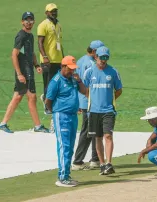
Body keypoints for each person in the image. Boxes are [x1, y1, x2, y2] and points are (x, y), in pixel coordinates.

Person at [0, 11, 49, 134]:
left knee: (21, 96)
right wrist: (19, 74)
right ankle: (37, 126)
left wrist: (36, 65)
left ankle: (3, 124)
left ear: (33, 22)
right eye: (26, 20)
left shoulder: (30, 36)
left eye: (30, 20)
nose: (28, 22)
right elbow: (14, 55)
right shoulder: (21, 36)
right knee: (29, 96)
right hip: (24, 72)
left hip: (29, 70)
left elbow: (31, 53)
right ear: (22, 22)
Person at [45, 55, 87, 187]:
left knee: (69, 147)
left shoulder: (73, 79)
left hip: (73, 116)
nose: (72, 71)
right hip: (61, 116)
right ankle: (62, 177)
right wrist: (54, 114)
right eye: (70, 69)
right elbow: (48, 101)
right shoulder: (56, 81)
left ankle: (67, 175)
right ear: (63, 67)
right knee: (64, 147)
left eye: (73, 69)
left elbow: (85, 91)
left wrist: (79, 80)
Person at [83, 46, 122, 175]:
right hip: (93, 111)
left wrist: (110, 100)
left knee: (108, 135)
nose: (103, 60)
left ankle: (109, 163)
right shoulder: (89, 72)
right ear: (96, 57)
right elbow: (85, 89)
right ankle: (102, 164)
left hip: (108, 110)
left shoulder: (113, 72)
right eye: (101, 58)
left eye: (106, 58)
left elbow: (119, 90)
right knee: (98, 138)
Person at [72, 40, 104, 171]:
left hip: (84, 101)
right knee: (87, 132)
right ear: (95, 51)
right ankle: (78, 161)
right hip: (89, 102)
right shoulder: (91, 64)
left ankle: (95, 159)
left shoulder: (81, 60)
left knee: (95, 130)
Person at [37, 3, 63, 133]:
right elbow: (40, 43)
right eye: (51, 11)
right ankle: (47, 103)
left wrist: (63, 57)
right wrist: (45, 56)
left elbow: (59, 43)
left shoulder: (58, 25)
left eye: (55, 11)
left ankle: (48, 99)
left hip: (58, 59)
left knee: (56, 83)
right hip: (48, 60)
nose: (54, 13)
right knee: (48, 82)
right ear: (46, 12)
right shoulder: (43, 25)